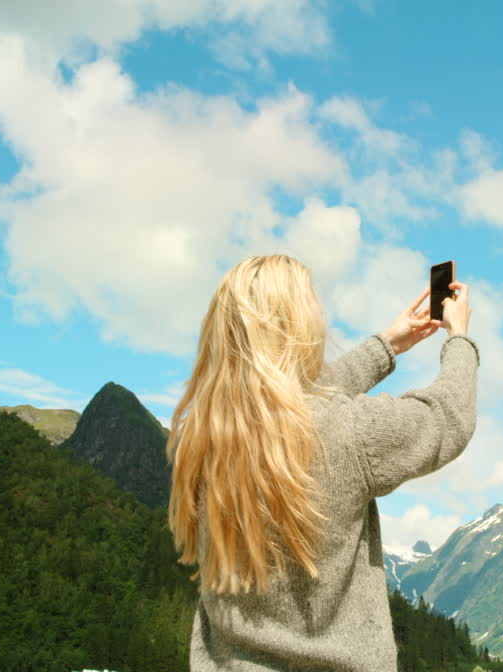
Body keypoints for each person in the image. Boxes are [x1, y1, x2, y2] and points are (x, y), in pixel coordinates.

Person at [166, 254, 477, 671]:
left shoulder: (202, 436)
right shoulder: (345, 432)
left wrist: (388, 345)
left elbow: (295, 401)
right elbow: (447, 418)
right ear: (296, 327)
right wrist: (459, 337)